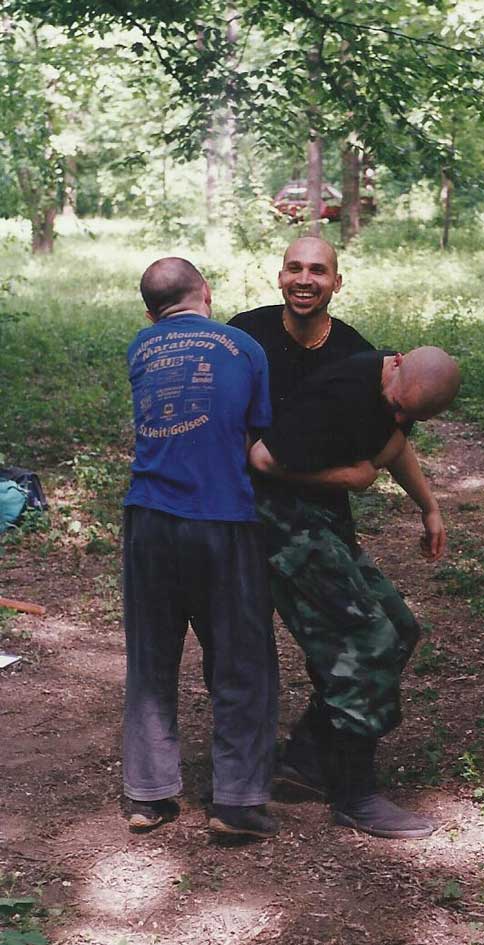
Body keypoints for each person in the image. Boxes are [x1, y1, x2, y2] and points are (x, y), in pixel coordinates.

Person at [229, 237, 458, 840]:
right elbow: (260, 457)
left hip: (321, 518)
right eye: (296, 268)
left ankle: (307, 757)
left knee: (399, 627)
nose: (306, 279)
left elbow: (393, 440)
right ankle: (355, 795)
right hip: (275, 518)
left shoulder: (367, 360)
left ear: (337, 280)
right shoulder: (251, 336)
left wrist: (429, 507)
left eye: (318, 271)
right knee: (365, 638)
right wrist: (355, 477)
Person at [122, 257, 279, 839]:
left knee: (151, 658)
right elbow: (250, 437)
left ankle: (148, 796)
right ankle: (236, 802)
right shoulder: (244, 347)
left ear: (150, 312)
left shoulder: (140, 348)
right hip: (223, 518)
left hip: (149, 521)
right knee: (243, 657)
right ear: (207, 293)